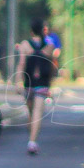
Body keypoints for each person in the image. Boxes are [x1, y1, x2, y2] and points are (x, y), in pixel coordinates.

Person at [16, 18, 57, 155]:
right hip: (42, 83)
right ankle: (32, 139)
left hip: (29, 83)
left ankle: (32, 141)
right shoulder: (49, 46)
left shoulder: (25, 45)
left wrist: (18, 81)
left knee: (33, 112)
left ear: (31, 30)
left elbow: (21, 64)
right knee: (35, 113)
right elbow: (52, 67)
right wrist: (51, 82)